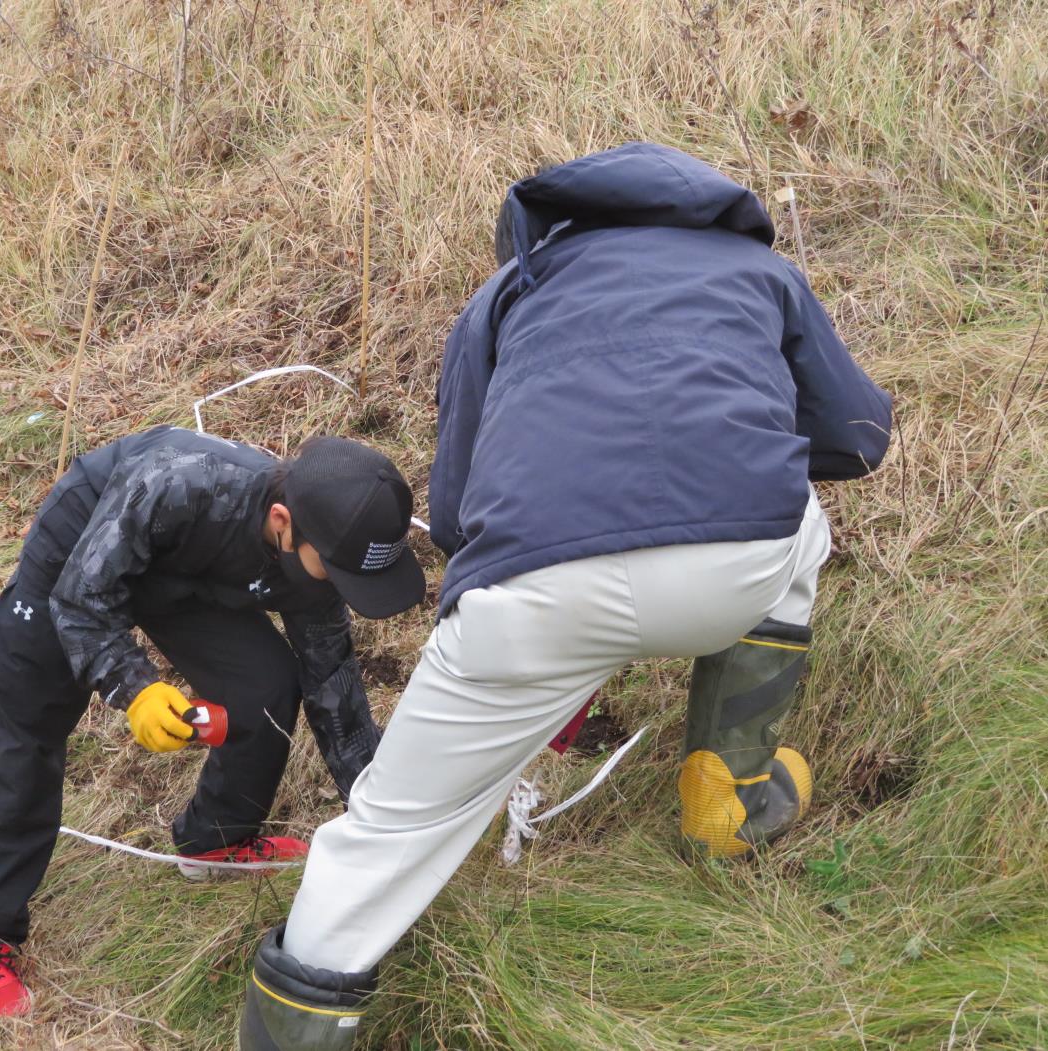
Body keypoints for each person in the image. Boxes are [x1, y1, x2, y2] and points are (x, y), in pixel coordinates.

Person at [237, 142, 893, 1049]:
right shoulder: (759, 271)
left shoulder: (509, 292)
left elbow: (460, 503)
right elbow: (860, 438)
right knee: (800, 524)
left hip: (531, 596)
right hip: (734, 567)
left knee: (388, 828)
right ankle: (728, 802)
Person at [0, 425, 425, 1017]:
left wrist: (383, 817)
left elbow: (334, 688)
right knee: (27, 726)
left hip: (187, 578)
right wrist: (136, 689)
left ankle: (215, 840)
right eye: (338, 573)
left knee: (265, 684)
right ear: (282, 521)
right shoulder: (179, 481)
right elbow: (80, 602)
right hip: (81, 557)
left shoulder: (319, 556)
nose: (342, 590)